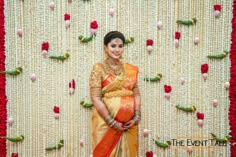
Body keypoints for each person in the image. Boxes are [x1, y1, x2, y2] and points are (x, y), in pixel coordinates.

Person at [89, 31, 141, 157]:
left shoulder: (130, 69)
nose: (117, 50)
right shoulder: (98, 68)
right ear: (105, 48)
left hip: (129, 124)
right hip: (106, 123)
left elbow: (137, 94)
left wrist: (136, 117)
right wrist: (112, 122)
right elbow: (95, 98)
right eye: (113, 46)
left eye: (120, 46)